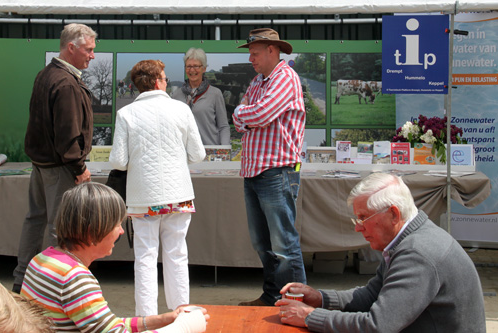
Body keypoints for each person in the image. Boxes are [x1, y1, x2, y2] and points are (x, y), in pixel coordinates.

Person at [276, 172, 486, 332]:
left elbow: (378, 326)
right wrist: (320, 298)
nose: (358, 227)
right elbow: (371, 295)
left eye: (363, 218)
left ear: (393, 214)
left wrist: (311, 317)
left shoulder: (417, 254)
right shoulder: (409, 239)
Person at [21, 183, 208, 333]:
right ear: (92, 231)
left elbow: (108, 325)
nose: (120, 231)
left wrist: (164, 319)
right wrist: (184, 327)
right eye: (116, 224)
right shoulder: (74, 278)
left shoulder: (41, 260)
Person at [110, 60, 206, 315]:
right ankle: (181, 314)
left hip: (143, 197)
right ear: (156, 82)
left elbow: (118, 161)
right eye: (164, 78)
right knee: (177, 255)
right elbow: (198, 154)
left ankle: (146, 319)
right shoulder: (181, 109)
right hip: (179, 195)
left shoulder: (126, 114)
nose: (166, 81)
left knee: (145, 257)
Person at [12, 23, 96, 294]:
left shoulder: (46, 74)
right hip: (60, 167)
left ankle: (22, 281)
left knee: (35, 220)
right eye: (89, 50)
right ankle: (49, 289)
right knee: (59, 228)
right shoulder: (66, 82)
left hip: (41, 164)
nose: (92, 55)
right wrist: (79, 167)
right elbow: (68, 134)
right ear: (71, 48)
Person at [233, 28, 307, 306]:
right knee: (263, 244)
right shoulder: (258, 81)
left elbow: (260, 114)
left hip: (277, 170)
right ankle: (273, 295)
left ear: (271, 50)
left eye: (254, 53)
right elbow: (241, 115)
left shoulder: (285, 77)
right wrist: (246, 114)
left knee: (283, 244)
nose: (251, 58)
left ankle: (296, 301)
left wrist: (245, 114)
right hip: (256, 172)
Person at [172, 47, 230, 145]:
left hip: (209, 152)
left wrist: (224, 150)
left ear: (204, 68)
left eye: (196, 66)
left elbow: (223, 126)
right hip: (184, 154)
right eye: (188, 66)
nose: (192, 70)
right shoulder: (177, 95)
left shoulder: (215, 94)